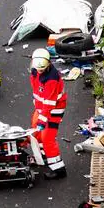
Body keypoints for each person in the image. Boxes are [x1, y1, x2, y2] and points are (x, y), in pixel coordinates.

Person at [30, 48, 68, 179]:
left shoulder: (52, 79)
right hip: (42, 109)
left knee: (48, 139)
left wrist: (42, 121)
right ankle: (43, 157)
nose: (39, 71)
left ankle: (58, 169)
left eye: (41, 70)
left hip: (54, 110)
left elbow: (49, 103)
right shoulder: (35, 70)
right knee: (36, 134)